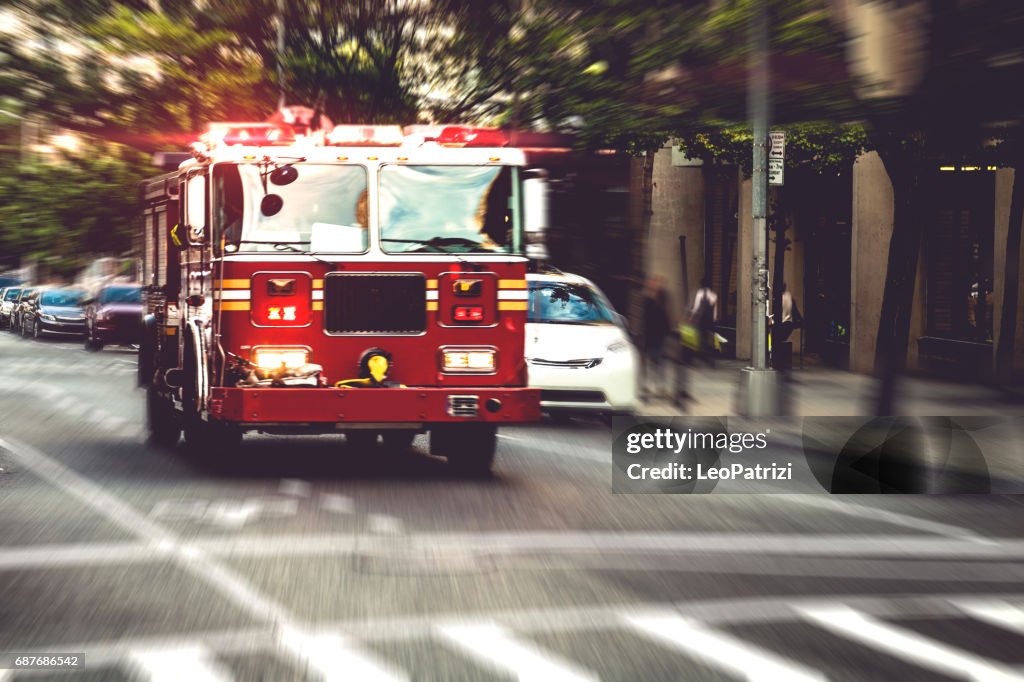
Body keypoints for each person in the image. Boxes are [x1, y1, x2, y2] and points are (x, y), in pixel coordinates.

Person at [642, 276, 671, 398]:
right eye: (654, 283)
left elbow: (665, 316)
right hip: (650, 334)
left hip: (658, 335)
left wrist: (668, 330)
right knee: (651, 361)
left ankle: (659, 387)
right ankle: (649, 386)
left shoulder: (662, 298)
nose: (657, 285)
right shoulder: (647, 299)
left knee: (658, 361)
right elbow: (646, 318)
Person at [690, 276, 719, 367]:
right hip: (710, 321)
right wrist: (714, 320)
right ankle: (710, 359)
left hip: (701, 321)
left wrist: (691, 317)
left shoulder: (700, 293)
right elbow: (715, 311)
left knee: (699, 338)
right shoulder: (714, 295)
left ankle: (700, 357)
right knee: (709, 339)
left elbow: (696, 307)